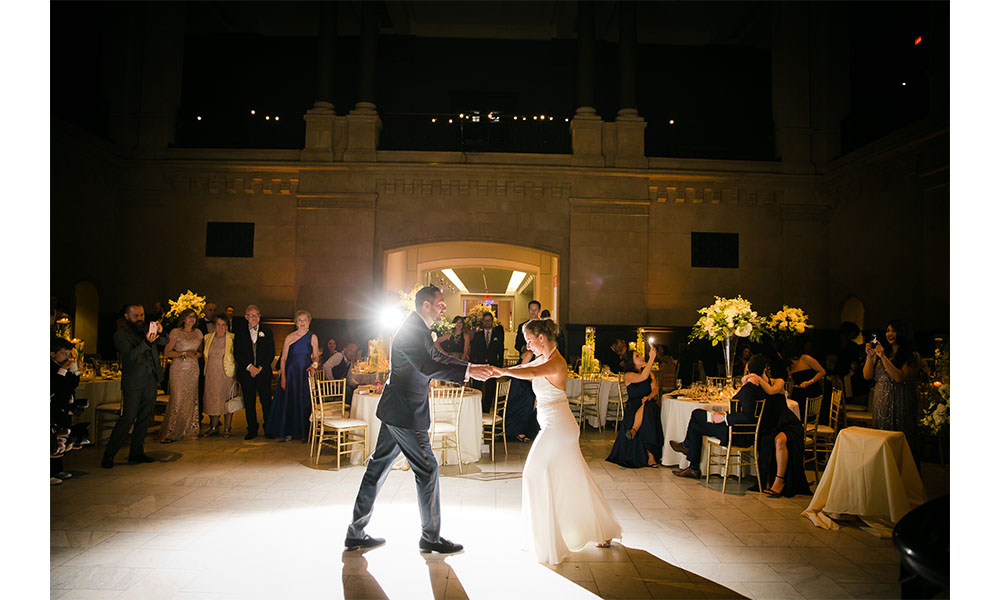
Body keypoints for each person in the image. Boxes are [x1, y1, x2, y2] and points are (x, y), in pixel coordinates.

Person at [345, 285, 493, 555]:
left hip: (397, 410)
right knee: (427, 469)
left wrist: (470, 368)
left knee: (377, 469)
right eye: (440, 302)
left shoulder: (419, 328)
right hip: (406, 413)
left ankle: (355, 533)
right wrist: (467, 373)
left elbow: (435, 356)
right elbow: (426, 367)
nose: (443, 307)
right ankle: (431, 537)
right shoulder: (412, 329)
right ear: (426, 305)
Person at [491, 318, 622, 564]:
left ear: (542, 338)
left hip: (558, 428)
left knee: (532, 474)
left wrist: (502, 371)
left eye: (530, 341)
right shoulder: (544, 359)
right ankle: (602, 530)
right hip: (557, 426)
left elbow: (530, 372)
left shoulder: (556, 361)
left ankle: (546, 539)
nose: (528, 346)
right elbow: (526, 371)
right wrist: (502, 370)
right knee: (575, 478)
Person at [668, 354, 770, 479]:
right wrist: (724, 414)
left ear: (747, 368)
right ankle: (691, 464)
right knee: (695, 425)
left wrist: (724, 418)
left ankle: (688, 450)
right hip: (739, 430)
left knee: (696, 414)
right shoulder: (765, 387)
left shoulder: (749, 389)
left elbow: (747, 417)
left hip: (736, 434)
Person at [102, 304, 168, 469]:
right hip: (133, 382)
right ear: (126, 316)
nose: (140, 318)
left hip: (151, 380)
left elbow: (165, 341)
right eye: (136, 316)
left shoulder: (146, 329)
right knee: (128, 417)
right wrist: (147, 341)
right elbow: (131, 355)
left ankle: (136, 452)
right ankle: (109, 455)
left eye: (142, 315)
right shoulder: (121, 335)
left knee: (145, 418)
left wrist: (160, 332)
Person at [741, 359, 809, 497]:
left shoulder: (778, 381)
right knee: (765, 440)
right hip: (770, 424)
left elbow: (771, 392)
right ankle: (764, 479)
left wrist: (757, 378)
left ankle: (780, 480)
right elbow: (743, 388)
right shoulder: (754, 384)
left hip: (786, 422)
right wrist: (747, 378)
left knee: (779, 440)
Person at [864, 319, 922, 464]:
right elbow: (867, 375)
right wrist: (870, 357)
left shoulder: (912, 355)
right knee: (881, 438)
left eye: (893, 330)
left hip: (901, 401)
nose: (889, 334)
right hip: (881, 402)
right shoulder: (885, 353)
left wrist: (882, 357)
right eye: (888, 330)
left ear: (903, 333)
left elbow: (899, 377)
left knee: (900, 439)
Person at [266, 310, 320, 442]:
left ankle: (303, 433)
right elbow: (283, 359)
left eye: (305, 320)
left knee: (304, 402)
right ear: (296, 322)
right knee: (288, 401)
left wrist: (314, 366)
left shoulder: (312, 337)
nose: (302, 323)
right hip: (290, 374)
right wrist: (283, 377)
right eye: (300, 320)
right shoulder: (289, 337)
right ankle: (288, 432)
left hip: (304, 375)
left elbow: (316, 356)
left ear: (309, 322)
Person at [606, 347, 664, 468]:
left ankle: (634, 430)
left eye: (640, 355)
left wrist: (648, 396)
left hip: (648, 402)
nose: (641, 357)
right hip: (634, 404)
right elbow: (642, 377)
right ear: (631, 361)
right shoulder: (628, 375)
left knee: (648, 406)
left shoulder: (649, 373)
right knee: (647, 408)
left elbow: (655, 389)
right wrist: (652, 358)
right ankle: (651, 456)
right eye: (637, 356)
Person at [158, 309, 203, 443]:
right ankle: (171, 431)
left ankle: (189, 429)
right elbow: (167, 352)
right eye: (189, 317)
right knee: (177, 398)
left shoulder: (198, 333)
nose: (192, 319)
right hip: (178, 369)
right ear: (183, 318)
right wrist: (184, 353)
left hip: (193, 369)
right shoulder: (175, 332)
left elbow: (201, 352)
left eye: (194, 317)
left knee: (191, 398)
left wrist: (196, 354)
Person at [233, 304, 275, 440]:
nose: (254, 317)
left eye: (256, 315)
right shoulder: (239, 332)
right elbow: (237, 353)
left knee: (266, 401)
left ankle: (269, 428)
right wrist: (250, 367)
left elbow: (271, 353)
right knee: (249, 402)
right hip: (247, 373)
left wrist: (260, 367)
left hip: (263, 373)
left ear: (260, 316)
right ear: (246, 317)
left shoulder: (267, 332)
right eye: (251, 315)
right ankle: (252, 429)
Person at [51, 337, 82, 483]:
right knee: (53, 438)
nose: (67, 357)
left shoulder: (62, 366)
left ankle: (57, 470)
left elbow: (71, 385)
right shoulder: (51, 367)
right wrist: (63, 370)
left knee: (62, 435)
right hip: (53, 406)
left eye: (69, 354)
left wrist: (75, 371)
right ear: (52, 354)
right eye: (64, 354)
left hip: (63, 406)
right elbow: (56, 385)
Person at [203, 314, 237, 437]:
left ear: (227, 326)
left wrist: (236, 375)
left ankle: (227, 428)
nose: (221, 327)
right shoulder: (207, 338)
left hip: (226, 374)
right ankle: (213, 426)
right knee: (213, 400)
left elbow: (237, 358)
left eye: (223, 325)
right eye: (218, 324)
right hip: (211, 374)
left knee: (227, 401)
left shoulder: (232, 338)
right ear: (214, 325)